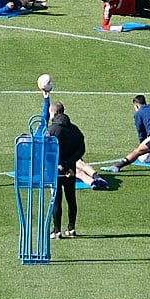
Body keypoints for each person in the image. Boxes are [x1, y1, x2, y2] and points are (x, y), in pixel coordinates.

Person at [47, 101, 99, 238]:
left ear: (55, 113)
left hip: (56, 170)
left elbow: (48, 150)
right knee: (71, 199)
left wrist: (61, 165)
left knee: (56, 199)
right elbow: (81, 149)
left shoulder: (53, 130)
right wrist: (70, 165)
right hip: (71, 170)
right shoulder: (75, 130)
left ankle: (56, 230)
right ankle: (71, 228)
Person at [117, 94, 150, 166]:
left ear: (136, 105)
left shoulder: (139, 113)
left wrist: (143, 144)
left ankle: (118, 166)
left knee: (141, 154)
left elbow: (141, 132)